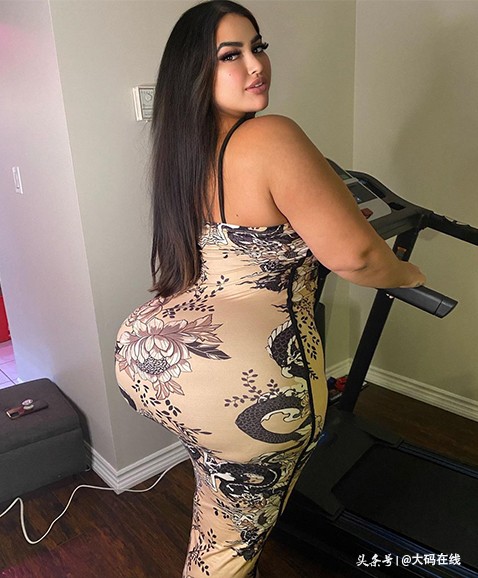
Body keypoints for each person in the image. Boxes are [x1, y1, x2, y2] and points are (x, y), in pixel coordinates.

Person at [115, 2, 426, 577]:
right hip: (250, 382)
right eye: (230, 55)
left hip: (153, 356)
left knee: (219, 501)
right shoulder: (272, 137)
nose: (256, 65)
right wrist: (409, 274)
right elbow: (357, 255)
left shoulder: (183, 149)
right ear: (195, 71)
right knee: (228, 550)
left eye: (258, 47)